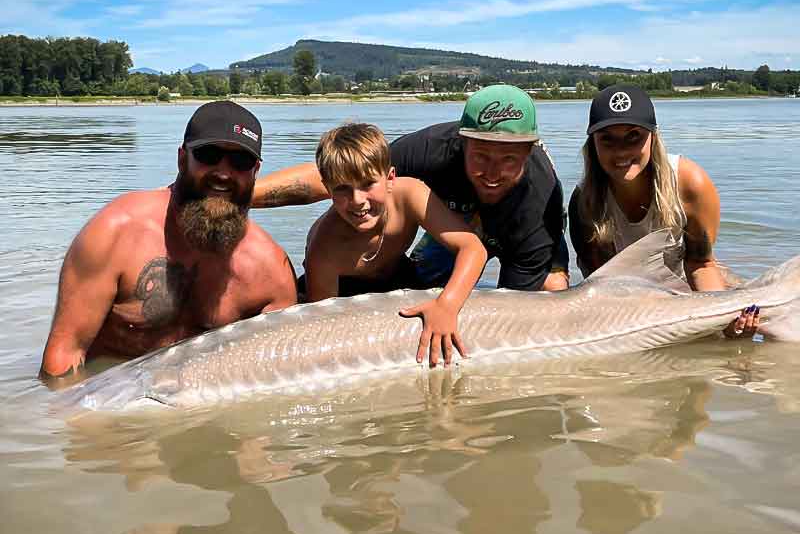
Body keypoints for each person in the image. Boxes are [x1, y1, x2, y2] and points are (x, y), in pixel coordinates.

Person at [40, 101, 298, 382]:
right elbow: (65, 355)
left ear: (256, 170)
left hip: (203, 407)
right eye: (208, 154)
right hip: (112, 402)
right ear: (182, 158)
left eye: (240, 162)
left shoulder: (272, 272)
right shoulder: (115, 233)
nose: (223, 173)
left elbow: (275, 374)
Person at [252, 84, 569, 293]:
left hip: (517, 227)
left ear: (529, 153)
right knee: (425, 283)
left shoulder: (540, 202)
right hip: (456, 219)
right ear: (461, 143)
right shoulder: (430, 150)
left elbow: (510, 310)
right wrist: (241, 194)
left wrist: (448, 306)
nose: (492, 173)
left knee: (550, 290)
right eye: (481, 156)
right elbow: (346, 172)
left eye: (508, 159)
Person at [568, 84, 758, 338]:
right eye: (607, 139)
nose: (621, 151)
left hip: (687, 291)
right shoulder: (584, 202)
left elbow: (701, 264)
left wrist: (725, 320)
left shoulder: (691, 183)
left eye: (633, 136)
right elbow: (601, 287)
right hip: (627, 299)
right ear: (593, 145)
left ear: (653, 137)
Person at [304, 123, 488, 366]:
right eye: (342, 189)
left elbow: (473, 248)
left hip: (399, 273)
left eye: (368, 184)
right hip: (348, 291)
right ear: (327, 188)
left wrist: (447, 305)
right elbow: (325, 327)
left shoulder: (409, 194)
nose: (358, 201)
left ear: (390, 178)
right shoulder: (323, 249)